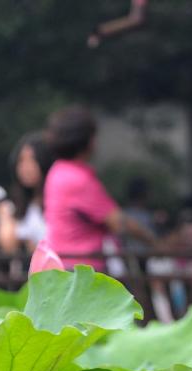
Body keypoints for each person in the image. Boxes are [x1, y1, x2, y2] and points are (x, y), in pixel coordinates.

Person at [43, 105, 157, 270]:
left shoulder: (58, 171)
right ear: (87, 141)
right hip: (80, 269)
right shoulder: (78, 179)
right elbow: (118, 222)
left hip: (65, 264)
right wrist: (153, 241)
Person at [0, 131, 53, 254]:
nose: (26, 168)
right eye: (21, 161)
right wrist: (4, 217)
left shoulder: (56, 202)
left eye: (32, 160)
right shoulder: (15, 205)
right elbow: (8, 246)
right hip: (25, 271)